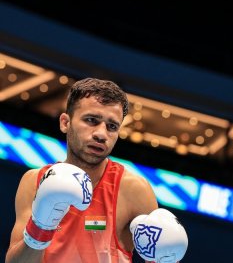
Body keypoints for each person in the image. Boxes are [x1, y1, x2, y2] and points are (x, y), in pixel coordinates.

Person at [5, 78, 188, 263]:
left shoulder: (133, 190)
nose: (101, 134)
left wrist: (169, 258)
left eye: (112, 126)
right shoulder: (34, 181)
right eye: (91, 120)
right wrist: (40, 228)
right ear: (65, 123)